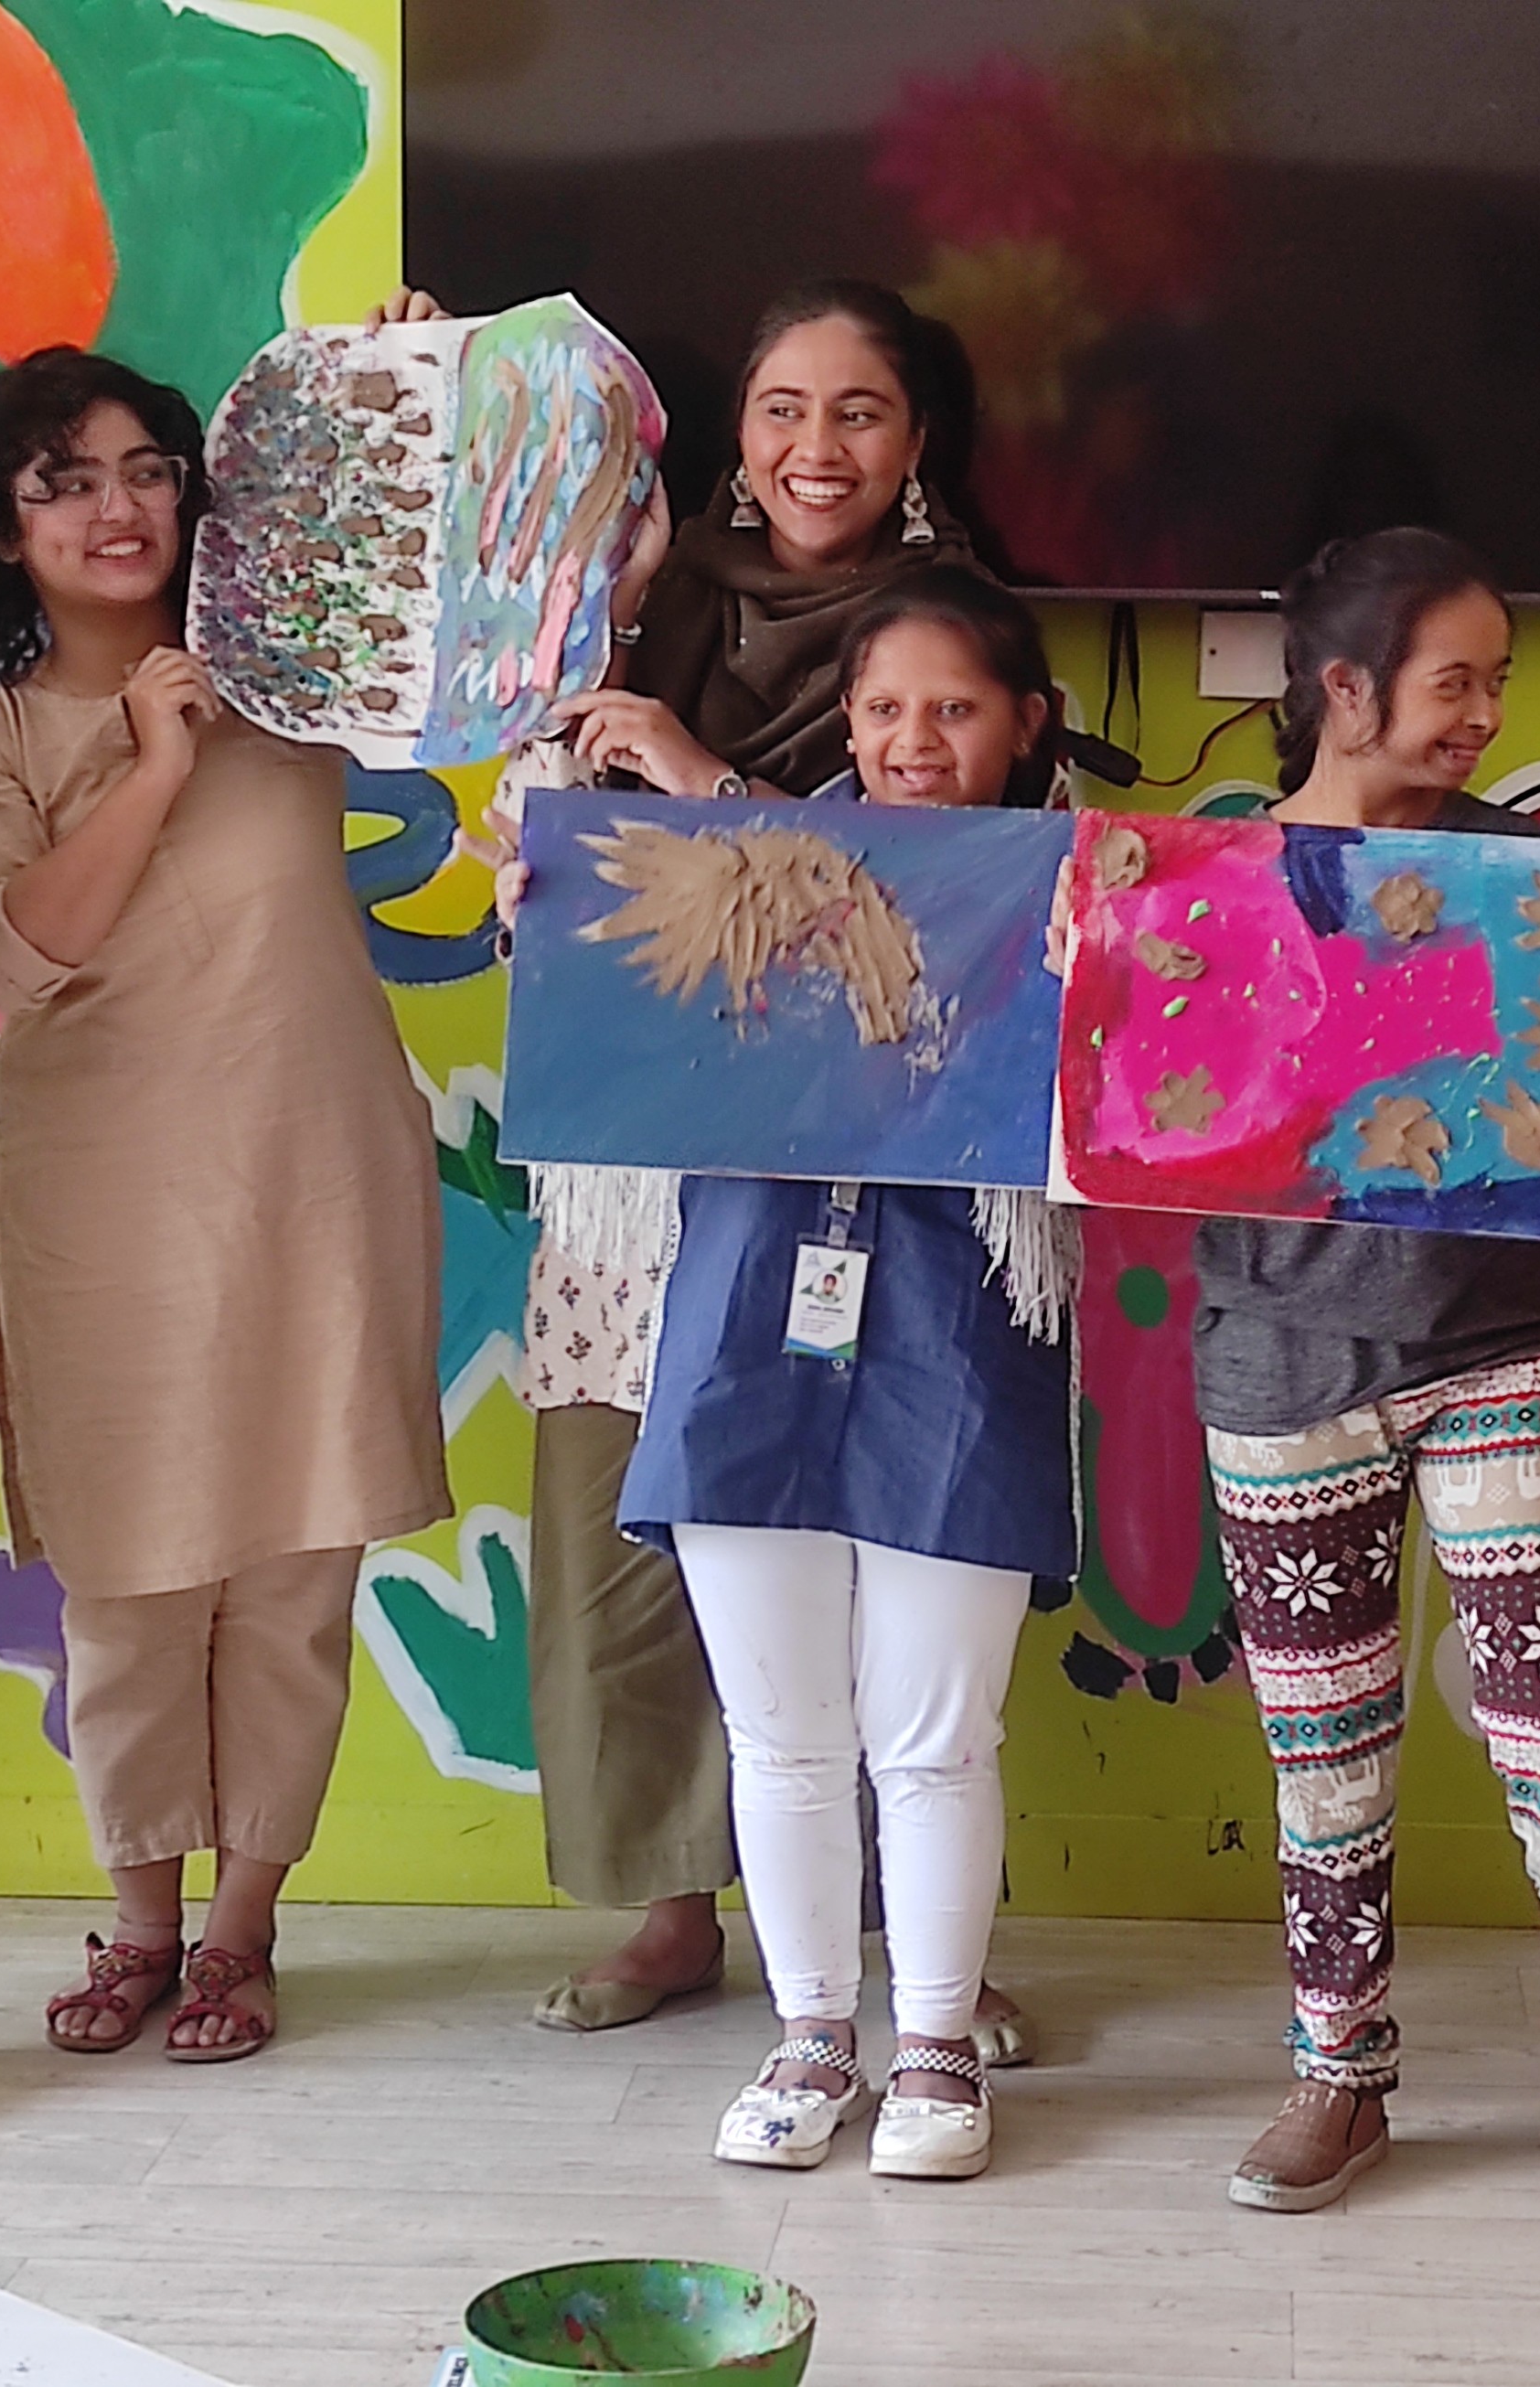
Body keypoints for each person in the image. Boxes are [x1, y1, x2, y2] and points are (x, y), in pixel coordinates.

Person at [424, 277, 1031, 2058]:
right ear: (735, 439)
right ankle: (671, 1906)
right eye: (781, 409)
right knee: (640, 1527)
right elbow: (533, 864)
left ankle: (918, 1951)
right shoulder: (624, 617)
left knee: (879, 1518)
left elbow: (944, 908)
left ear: (917, 444)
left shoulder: (954, 658)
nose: (814, 447)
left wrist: (693, 794)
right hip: (638, 1168)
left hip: (877, 1175)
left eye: (856, 412)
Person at [0, 349, 452, 2062]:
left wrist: (415, 382)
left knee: (297, 1567)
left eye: (146, 466)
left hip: (316, 1165)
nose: (116, 505)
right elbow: (16, 955)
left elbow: (489, 597)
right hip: (108, 1196)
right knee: (129, 1579)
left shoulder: (294, 682)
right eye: (64, 480)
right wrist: (149, 759)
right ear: (4, 531)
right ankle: (139, 1916)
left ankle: (240, 1931)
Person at [1192, 527, 1540, 2220]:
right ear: (1346, 689)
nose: (1489, 711)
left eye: (1500, 678)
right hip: (1278, 1350)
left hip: (1503, 1339)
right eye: (1458, 680)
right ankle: (1336, 2068)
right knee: (1322, 1746)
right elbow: (1160, 1109)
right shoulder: (1206, 879)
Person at [519, 568, 1073, 2178]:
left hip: (960, 1329)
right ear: (847, 719)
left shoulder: (1074, 894)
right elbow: (617, 1009)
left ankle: (938, 2049)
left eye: (956, 709)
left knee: (935, 1736)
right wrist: (553, 920)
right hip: (746, 1319)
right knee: (781, 1734)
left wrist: (708, 789)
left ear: (1024, 724)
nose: (915, 742)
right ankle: (813, 2034)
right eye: (886, 708)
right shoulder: (706, 873)